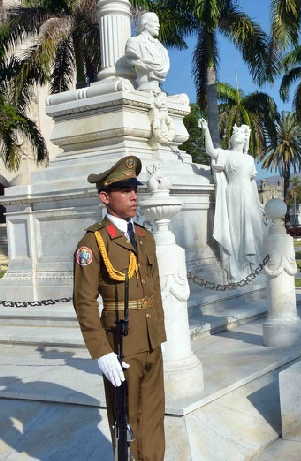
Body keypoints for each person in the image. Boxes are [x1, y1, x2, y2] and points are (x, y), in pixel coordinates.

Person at [73, 156, 166, 460]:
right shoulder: (94, 242)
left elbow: (152, 288)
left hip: (151, 339)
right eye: (124, 189)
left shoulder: (144, 236)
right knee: (127, 420)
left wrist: (158, 334)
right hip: (121, 342)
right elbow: (84, 301)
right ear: (105, 197)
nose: (133, 195)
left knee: (153, 418)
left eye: (134, 188)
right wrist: (101, 351)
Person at [198, 120, 266, 280]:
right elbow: (210, 151)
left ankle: (252, 265)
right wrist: (206, 129)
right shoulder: (225, 154)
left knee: (251, 228)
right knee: (236, 229)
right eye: (235, 133)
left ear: (244, 140)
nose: (237, 134)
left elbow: (251, 181)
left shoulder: (249, 158)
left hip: (248, 194)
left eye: (240, 133)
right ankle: (239, 263)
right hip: (233, 193)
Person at [125, 12, 170, 92]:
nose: (159, 26)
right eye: (155, 22)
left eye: (158, 23)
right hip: (143, 86)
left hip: (156, 90)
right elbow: (132, 59)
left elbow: (165, 67)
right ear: (145, 24)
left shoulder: (162, 49)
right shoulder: (134, 42)